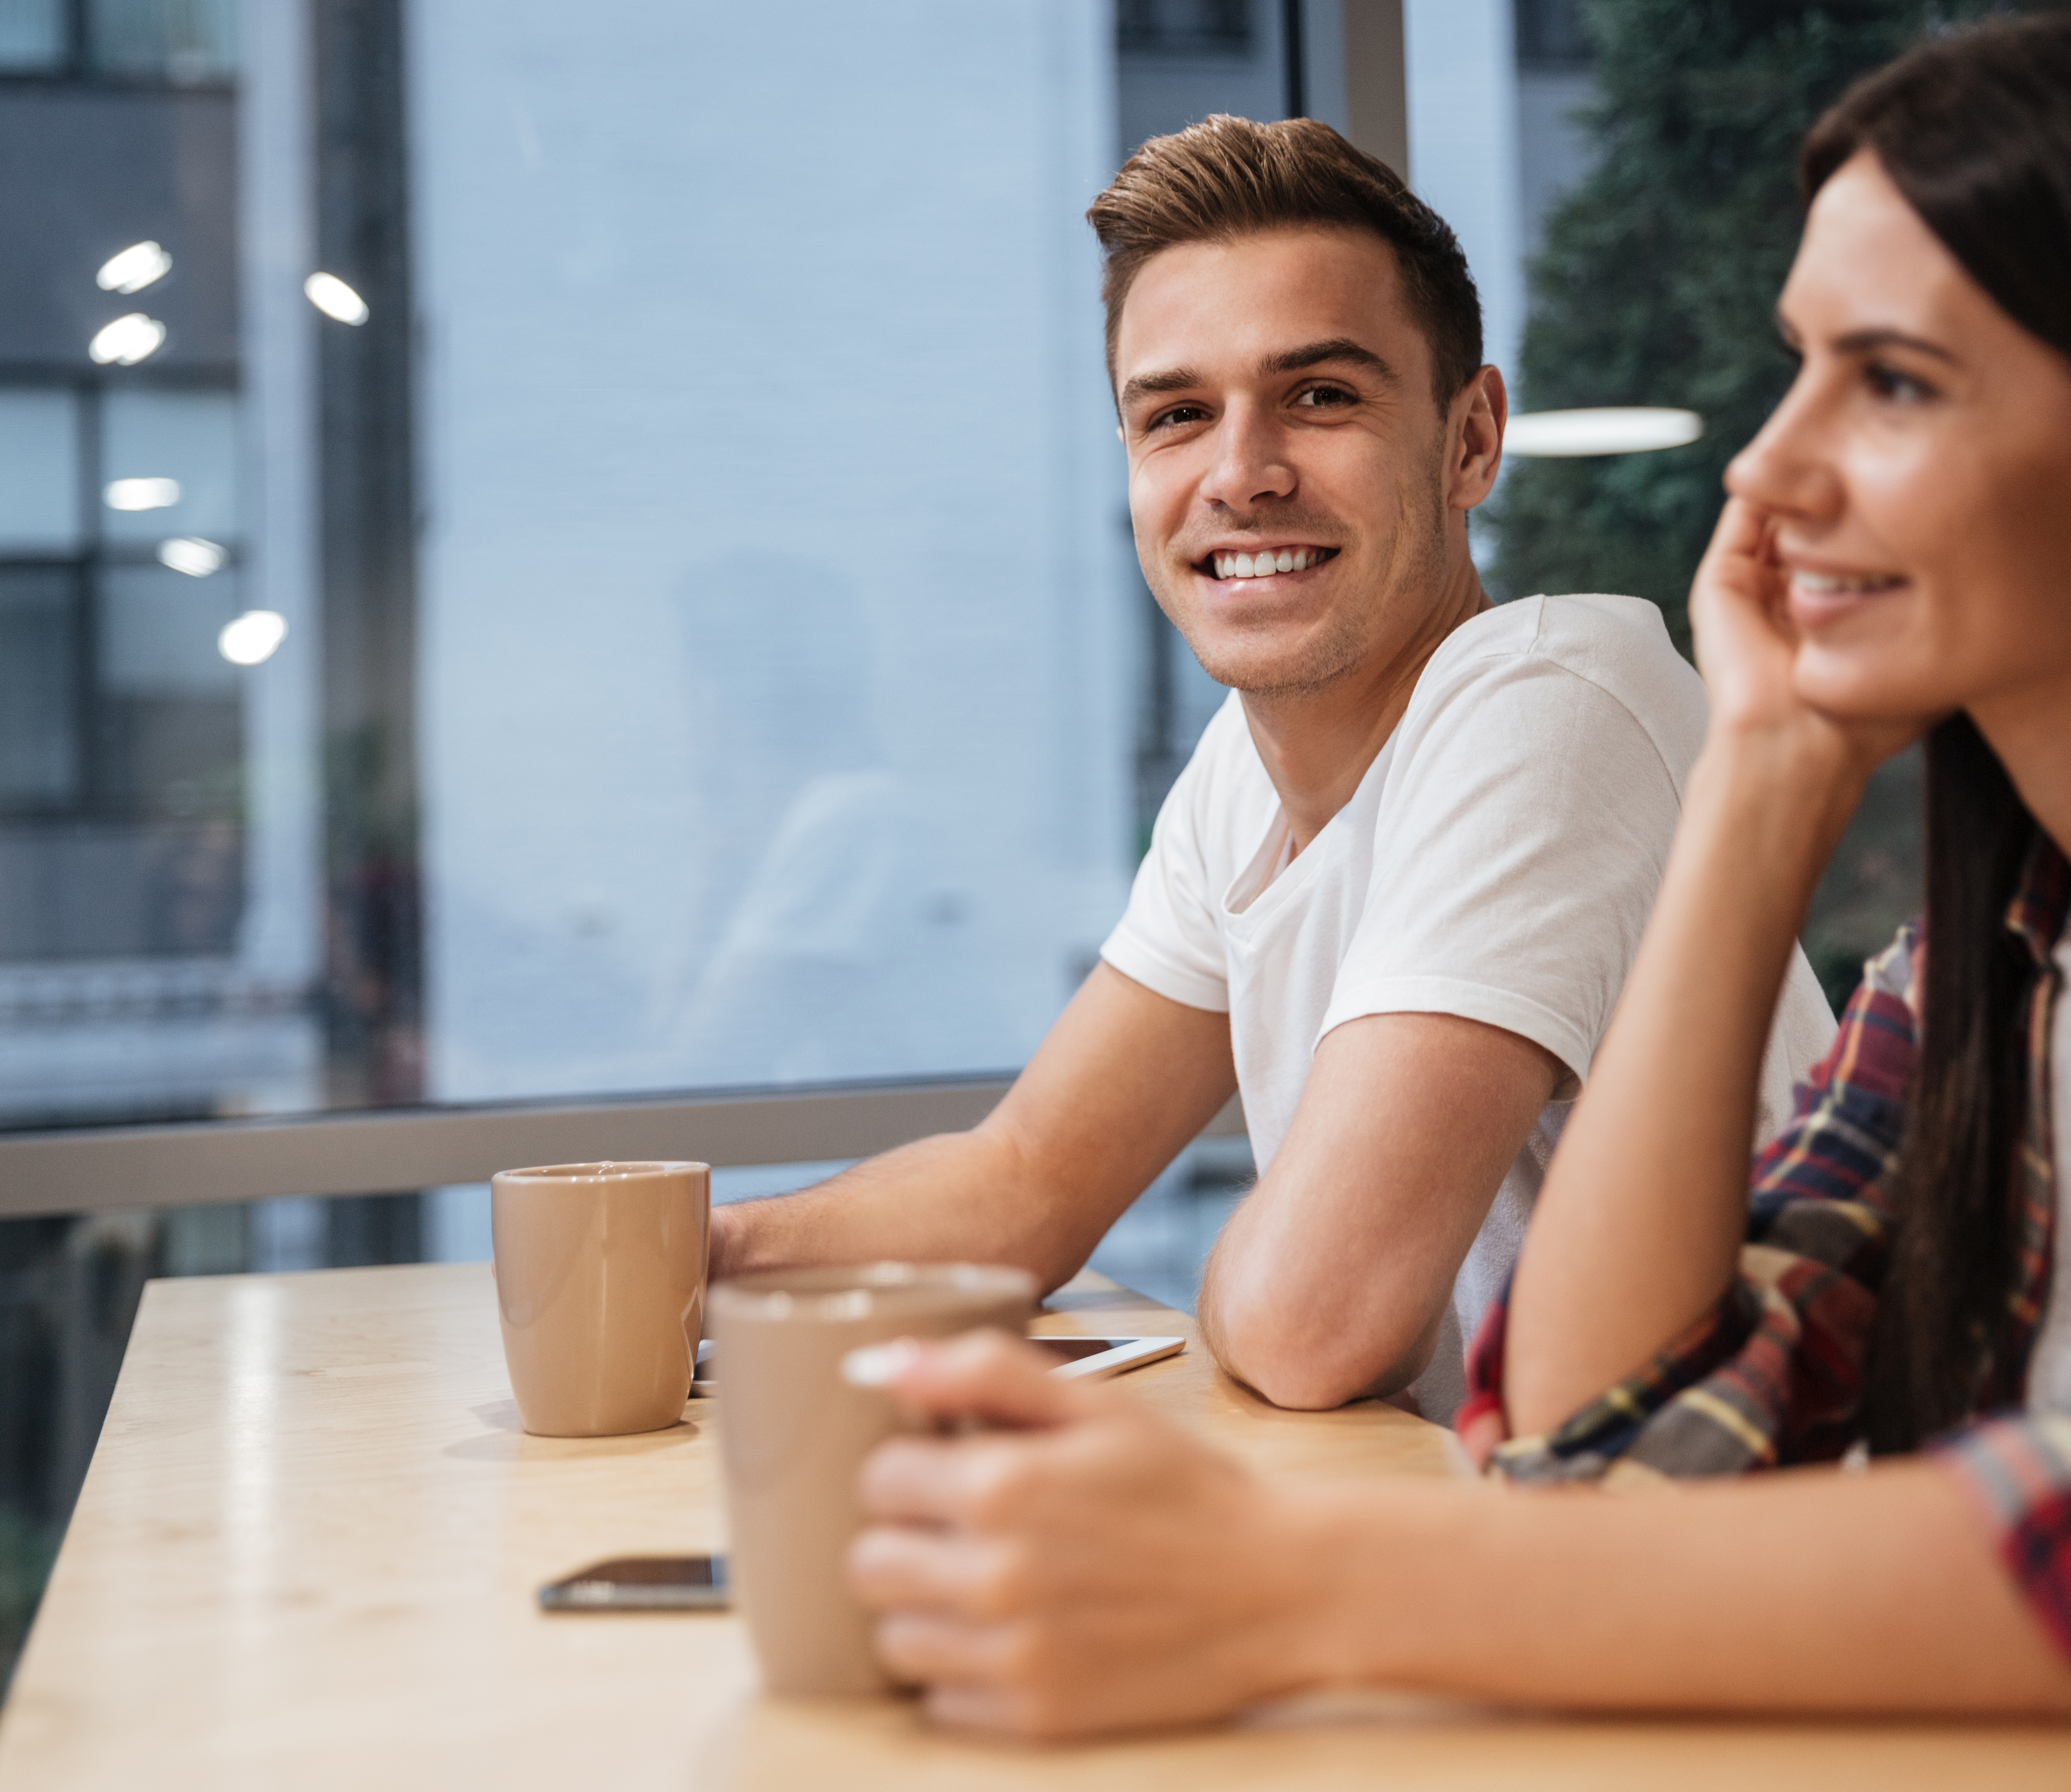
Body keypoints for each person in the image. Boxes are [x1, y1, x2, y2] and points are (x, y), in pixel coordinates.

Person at [837, 10, 2071, 1784]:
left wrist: (1310, 1585)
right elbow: (1601, 1437)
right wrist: (1767, 776)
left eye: (1894, 381)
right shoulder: (1995, 961)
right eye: (1799, 367)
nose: (1769, 470)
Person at [712, 117, 1836, 1418]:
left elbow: (1317, 1322)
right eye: (1178, 416)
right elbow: (1023, 1182)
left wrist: (1243, 1273)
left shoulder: (1550, 696)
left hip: (1708, 1581)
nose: (1239, 477)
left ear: (1470, 441)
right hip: (1493, 1548)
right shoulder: (1240, 780)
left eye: (1321, 396)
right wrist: (693, 1249)